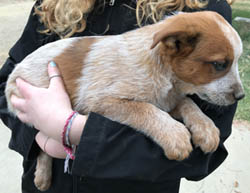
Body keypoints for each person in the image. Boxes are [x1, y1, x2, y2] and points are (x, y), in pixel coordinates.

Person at [0, 0, 237, 192]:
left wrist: (74, 130)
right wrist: (39, 139)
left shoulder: (204, 13)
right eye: (219, 66)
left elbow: (202, 153)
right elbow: (6, 85)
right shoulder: (54, 4)